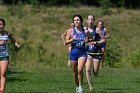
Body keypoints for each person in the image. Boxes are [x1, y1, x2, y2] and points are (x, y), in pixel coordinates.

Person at [65, 14, 87, 93]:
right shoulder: (71, 31)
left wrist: (87, 40)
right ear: (73, 22)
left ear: (81, 21)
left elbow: (91, 39)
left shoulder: (85, 31)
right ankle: (77, 86)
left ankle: (81, 87)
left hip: (82, 53)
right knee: (75, 72)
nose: (76, 21)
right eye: (75, 20)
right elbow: (66, 42)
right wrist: (72, 39)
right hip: (73, 53)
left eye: (78, 20)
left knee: (80, 70)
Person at [85, 14, 105, 92]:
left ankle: (96, 70)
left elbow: (103, 40)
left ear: (94, 20)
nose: (90, 21)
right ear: (87, 20)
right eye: (89, 19)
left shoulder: (97, 30)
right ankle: (91, 86)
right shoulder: (85, 29)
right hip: (88, 52)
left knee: (95, 73)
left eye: (92, 19)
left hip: (97, 52)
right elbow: (84, 39)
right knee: (87, 70)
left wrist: (95, 43)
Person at [0, 18, 20, 92]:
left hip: (4, 56)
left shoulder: (7, 34)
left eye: (1, 24)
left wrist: (16, 44)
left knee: (3, 73)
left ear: (4, 25)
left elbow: (12, 39)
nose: (0, 26)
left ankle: (1, 90)